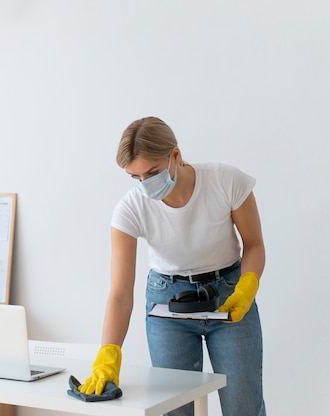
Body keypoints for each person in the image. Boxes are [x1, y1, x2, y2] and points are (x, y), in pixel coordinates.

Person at [77, 116, 266, 415]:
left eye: (152, 173)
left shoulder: (225, 181)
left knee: (244, 406)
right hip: (167, 303)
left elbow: (253, 245)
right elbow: (120, 294)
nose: (146, 185)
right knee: (174, 409)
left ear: (175, 155)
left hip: (229, 294)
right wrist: (108, 354)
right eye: (135, 177)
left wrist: (247, 287)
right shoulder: (130, 209)